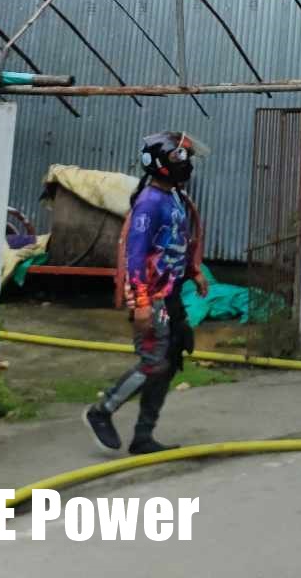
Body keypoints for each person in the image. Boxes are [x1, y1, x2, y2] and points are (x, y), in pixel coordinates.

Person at [85, 131, 211, 456]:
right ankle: (102, 411)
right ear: (158, 164)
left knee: (169, 362)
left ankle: (144, 435)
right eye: (178, 157)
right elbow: (136, 255)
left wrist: (193, 272)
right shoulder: (149, 203)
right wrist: (140, 302)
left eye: (186, 157)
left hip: (170, 294)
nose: (185, 163)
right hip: (152, 297)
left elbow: (174, 243)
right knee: (154, 361)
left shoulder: (176, 198)